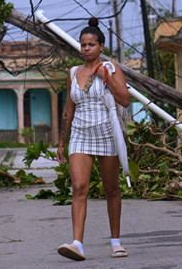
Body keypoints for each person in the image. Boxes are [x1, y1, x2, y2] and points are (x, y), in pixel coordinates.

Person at [56, 17, 130, 261]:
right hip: (80, 134)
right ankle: (77, 243)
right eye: (83, 44)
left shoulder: (110, 69)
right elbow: (69, 109)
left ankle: (116, 242)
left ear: (101, 47)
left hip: (107, 132)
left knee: (111, 189)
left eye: (91, 44)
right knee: (79, 187)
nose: (86, 48)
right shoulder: (73, 73)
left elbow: (125, 99)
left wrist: (103, 76)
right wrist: (62, 142)